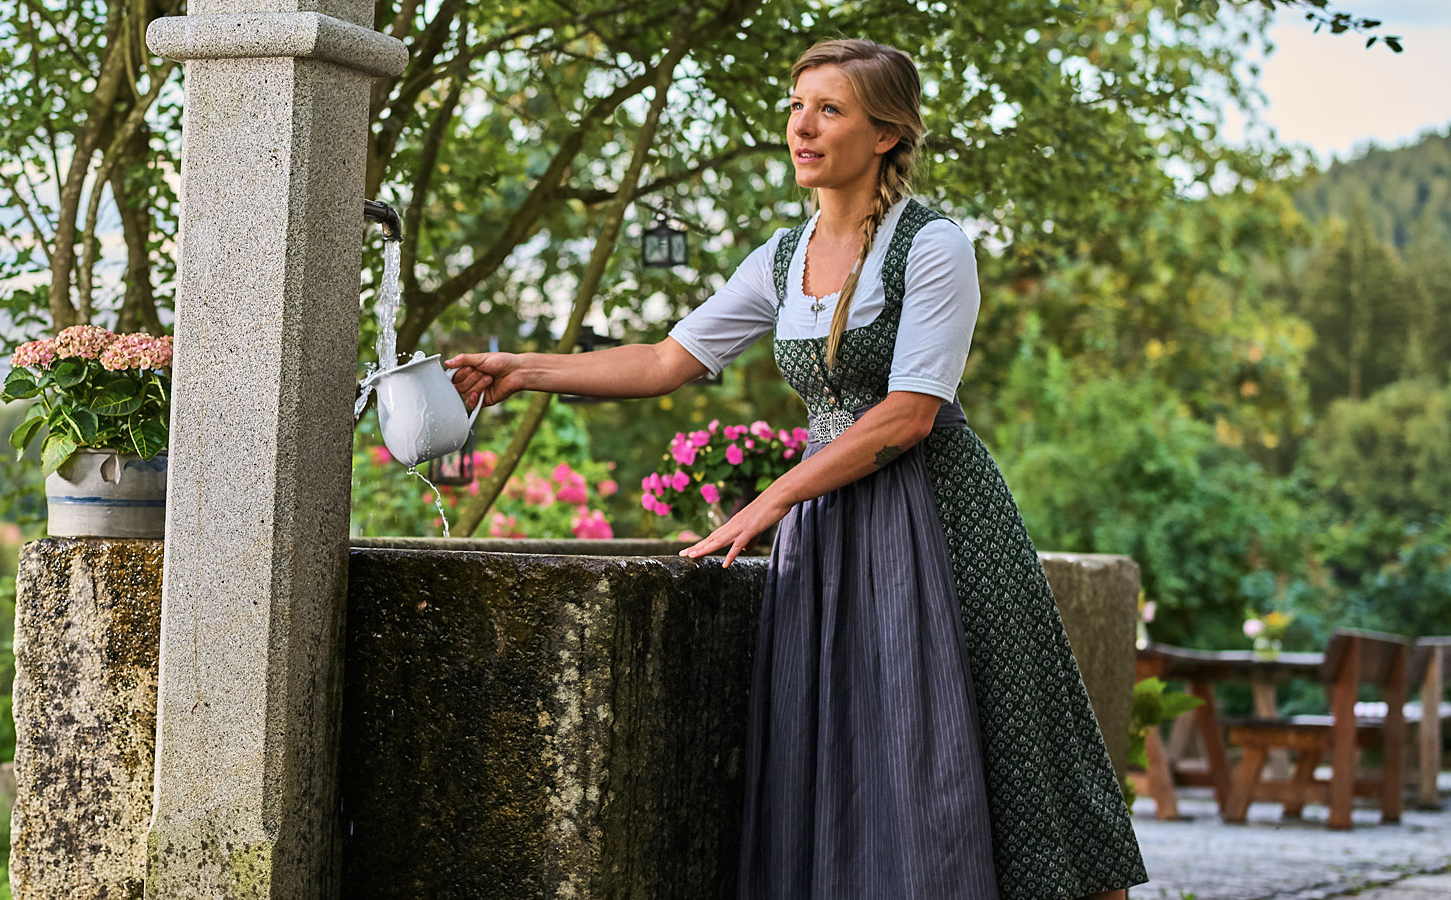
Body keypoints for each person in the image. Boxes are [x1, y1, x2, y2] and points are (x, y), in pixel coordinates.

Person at [443, 37, 1147, 900]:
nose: (802, 128)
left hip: (942, 525)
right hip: (834, 531)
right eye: (795, 106)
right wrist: (523, 368)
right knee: (857, 762)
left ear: (886, 133)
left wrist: (769, 500)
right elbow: (668, 362)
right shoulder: (784, 255)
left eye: (830, 109)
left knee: (1014, 770)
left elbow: (909, 415)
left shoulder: (932, 247)